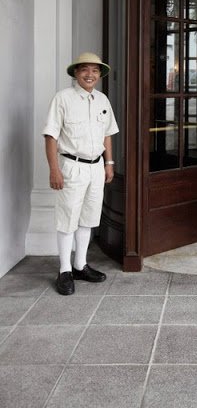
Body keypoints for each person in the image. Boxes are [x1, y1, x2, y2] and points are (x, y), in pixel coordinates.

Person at [43, 52, 119, 295]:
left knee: (88, 217)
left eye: (95, 70)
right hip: (71, 167)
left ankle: (80, 265)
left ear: (99, 75)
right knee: (68, 218)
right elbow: (50, 135)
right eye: (85, 69)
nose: (90, 74)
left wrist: (109, 162)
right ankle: (64, 270)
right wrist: (54, 169)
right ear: (76, 73)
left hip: (96, 167)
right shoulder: (62, 98)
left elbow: (107, 133)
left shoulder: (102, 100)